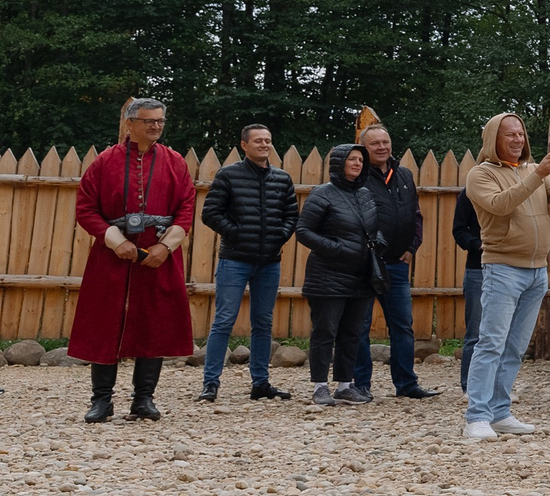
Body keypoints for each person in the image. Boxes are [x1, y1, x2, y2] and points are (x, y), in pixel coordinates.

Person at [69, 98, 196, 422]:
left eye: (160, 121)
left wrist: (165, 248)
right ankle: (102, 401)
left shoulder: (175, 162)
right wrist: (115, 241)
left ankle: (144, 399)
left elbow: (186, 209)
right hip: (111, 258)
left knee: (153, 323)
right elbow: (86, 208)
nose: (155, 126)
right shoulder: (104, 162)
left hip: (158, 256)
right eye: (149, 121)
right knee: (104, 323)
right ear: (130, 123)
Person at [459, 113, 550, 440]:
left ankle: (499, 412)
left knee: (514, 347)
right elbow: (501, 205)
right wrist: (540, 173)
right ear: (493, 139)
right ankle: (476, 416)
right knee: (491, 343)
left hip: (537, 271)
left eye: (521, 134)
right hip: (502, 268)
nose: (517, 140)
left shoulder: (531, 170)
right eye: (509, 134)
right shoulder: (480, 174)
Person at [197, 123, 298, 401]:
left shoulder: (282, 178)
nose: (264, 145)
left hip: (269, 262)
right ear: (244, 145)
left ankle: (260, 383)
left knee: (263, 323)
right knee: (224, 321)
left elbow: (292, 214)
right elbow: (211, 213)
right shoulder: (228, 175)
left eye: (268, 140)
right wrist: (237, 233)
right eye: (258, 141)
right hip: (235, 259)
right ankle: (210, 383)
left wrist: (280, 236)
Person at [355, 121, 436, 400]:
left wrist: (413, 247)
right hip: (364, 263)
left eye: (385, 142)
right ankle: (360, 384)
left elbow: (415, 215)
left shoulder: (403, 175)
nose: (382, 147)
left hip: (398, 264)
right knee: (360, 325)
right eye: (375, 143)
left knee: (402, 326)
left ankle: (406, 384)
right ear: (364, 149)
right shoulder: (358, 176)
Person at [296, 143, 379, 410]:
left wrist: (380, 242)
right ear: (339, 163)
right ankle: (320, 386)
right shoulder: (323, 193)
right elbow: (303, 231)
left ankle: (345, 385)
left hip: (360, 275)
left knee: (351, 333)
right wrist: (336, 249)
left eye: (360, 160)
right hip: (327, 274)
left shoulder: (365, 194)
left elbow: (372, 229)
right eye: (352, 159)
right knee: (325, 331)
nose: (357, 164)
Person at [452, 177, 483, 393]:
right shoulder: (470, 192)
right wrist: (477, 245)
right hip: (478, 269)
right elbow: (459, 230)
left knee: (505, 334)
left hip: (511, 266)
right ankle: (470, 387)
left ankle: (499, 388)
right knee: (476, 331)